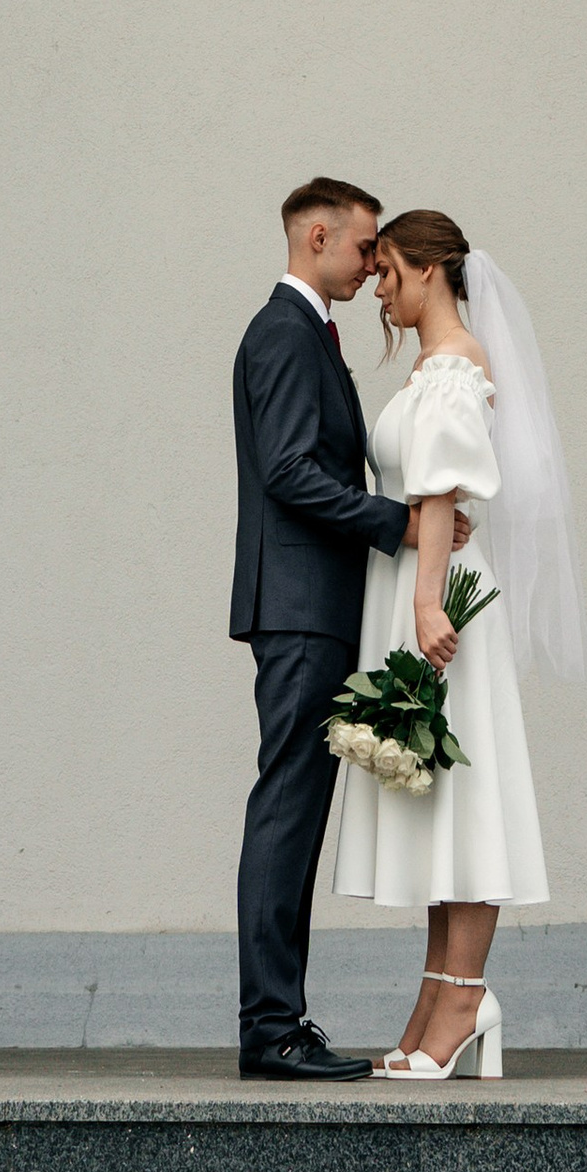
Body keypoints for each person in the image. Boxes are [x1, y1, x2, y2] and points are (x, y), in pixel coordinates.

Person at [335, 208, 587, 1080]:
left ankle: (465, 995)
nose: (379, 285)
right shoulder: (427, 372)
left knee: (464, 804)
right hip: (415, 593)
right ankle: (438, 996)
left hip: (439, 607)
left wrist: (428, 605)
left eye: (391, 271)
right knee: (437, 807)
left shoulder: (455, 366)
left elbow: (441, 490)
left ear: (431, 270)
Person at [228, 178, 414, 1080]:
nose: (373, 262)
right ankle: (271, 1029)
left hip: (314, 610)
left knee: (295, 816)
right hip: (300, 611)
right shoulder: (284, 334)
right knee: (287, 814)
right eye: (364, 245)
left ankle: (278, 1021)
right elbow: (291, 471)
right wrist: (393, 522)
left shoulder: (307, 334)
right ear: (315, 235)